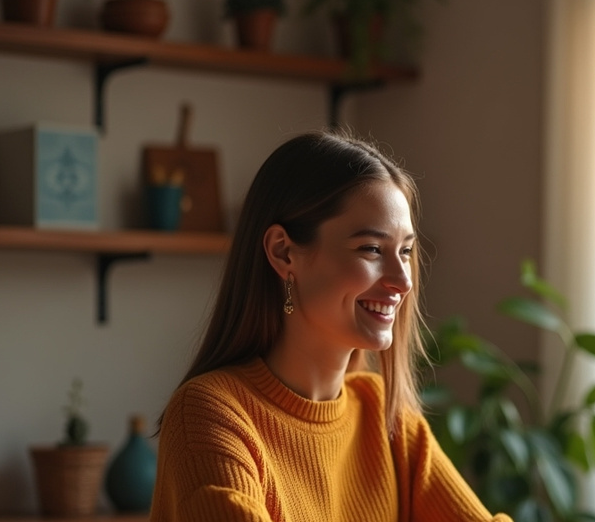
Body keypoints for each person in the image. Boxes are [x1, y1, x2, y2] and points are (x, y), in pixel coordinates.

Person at [149, 129, 512, 522]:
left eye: (405, 251)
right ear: (283, 252)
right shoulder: (211, 413)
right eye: (371, 249)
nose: (403, 281)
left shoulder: (384, 414)